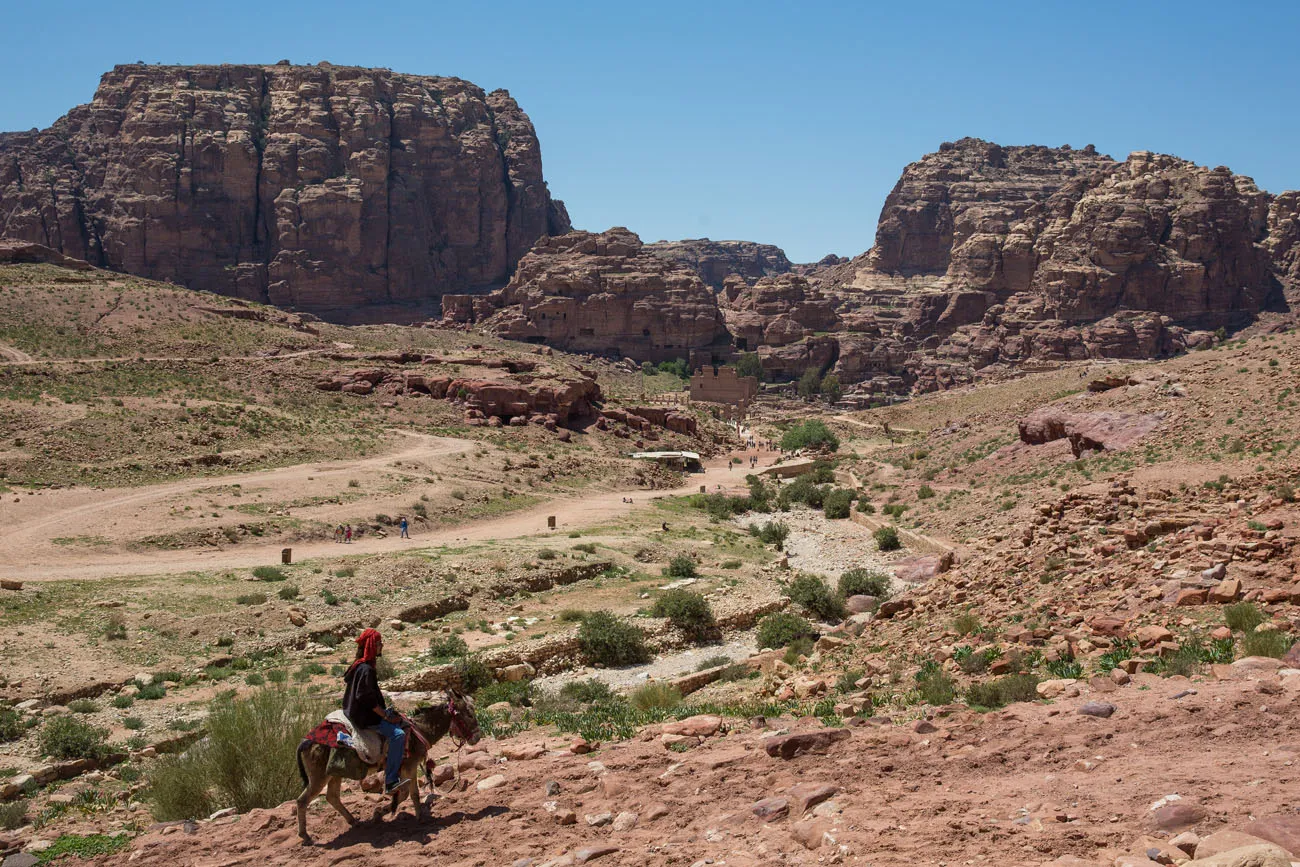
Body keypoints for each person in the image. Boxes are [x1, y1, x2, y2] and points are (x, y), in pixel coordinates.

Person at [342, 629, 408, 794]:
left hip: (353, 712)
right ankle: (391, 780)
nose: (381, 646)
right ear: (372, 645)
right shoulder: (366, 670)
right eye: (379, 643)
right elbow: (367, 699)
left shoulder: (358, 665)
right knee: (398, 734)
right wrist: (385, 715)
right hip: (366, 719)